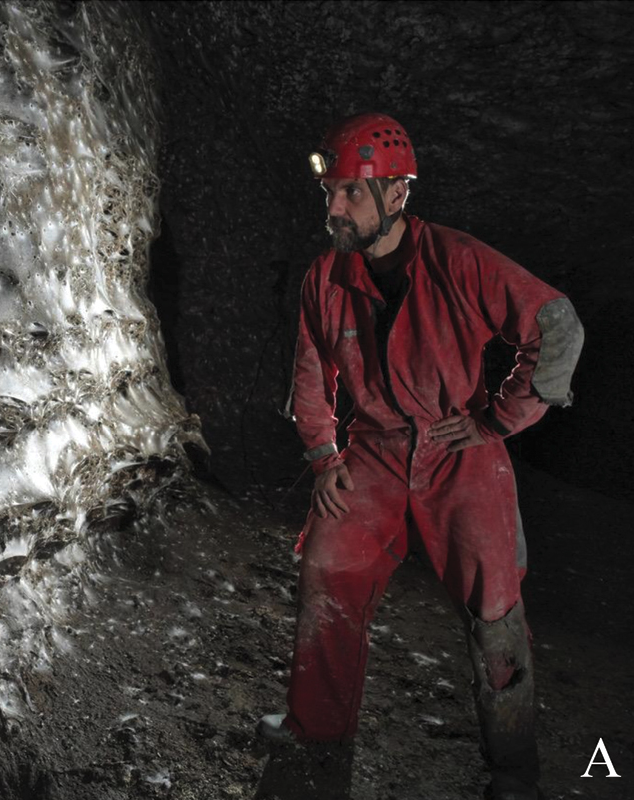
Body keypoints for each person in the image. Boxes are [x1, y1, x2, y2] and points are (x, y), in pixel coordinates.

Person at [258, 113, 585, 800]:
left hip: (456, 452)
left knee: (496, 604)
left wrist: (502, 417)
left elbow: (554, 325)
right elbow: (313, 369)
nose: (335, 207)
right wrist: (323, 455)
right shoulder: (327, 275)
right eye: (331, 193)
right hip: (372, 453)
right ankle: (318, 743)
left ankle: (514, 768)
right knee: (327, 564)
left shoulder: (458, 259)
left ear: (398, 195)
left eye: (351, 193)